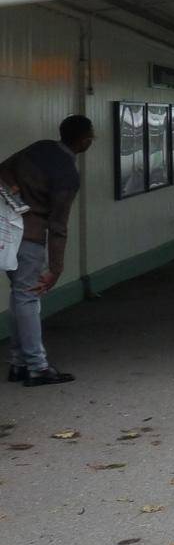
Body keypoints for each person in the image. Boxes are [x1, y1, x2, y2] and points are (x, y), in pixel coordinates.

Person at [1, 115, 94, 386]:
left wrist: (15, 195)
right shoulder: (68, 174)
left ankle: (18, 362)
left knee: (19, 296)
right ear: (85, 141)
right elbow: (57, 226)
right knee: (28, 297)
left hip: (6, 234)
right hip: (29, 237)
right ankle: (37, 367)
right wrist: (56, 268)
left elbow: (3, 170)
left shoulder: (39, 148)